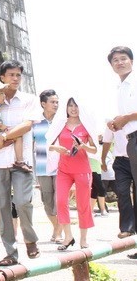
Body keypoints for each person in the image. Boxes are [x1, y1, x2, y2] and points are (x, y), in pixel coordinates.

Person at [0, 60, 42, 267]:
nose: (15, 78)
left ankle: (30, 239)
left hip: (21, 161)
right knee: (2, 206)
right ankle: (10, 252)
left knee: (23, 201)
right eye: (11, 75)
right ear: (2, 77)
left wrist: (4, 137)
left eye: (18, 75)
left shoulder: (29, 100)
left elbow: (26, 126)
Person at [46, 95, 100, 250]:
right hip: (64, 170)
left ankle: (83, 239)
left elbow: (95, 149)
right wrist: (57, 148)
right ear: (66, 108)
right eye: (70, 106)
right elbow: (47, 144)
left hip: (82, 170)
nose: (73, 109)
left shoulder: (86, 126)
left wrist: (83, 146)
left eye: (76, 106)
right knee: (61, 201)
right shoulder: (60, 124)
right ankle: (68, 237)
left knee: (83, 205)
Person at [104, 45, 137, 256]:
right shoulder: (121, 87)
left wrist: (125, 118)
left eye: (123, 58)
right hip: (130, 141)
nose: (119, 62)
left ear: (131, 61)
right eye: (115, 60)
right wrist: (118, 122)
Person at [33, 89, 62, 242]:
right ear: (43, 104)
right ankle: (57, 227)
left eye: (57, 102)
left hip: (61, 167)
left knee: (60, 200)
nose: (56, 105)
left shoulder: (63, 121)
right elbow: (29, 144)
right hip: (42, 167)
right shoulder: (35, 122)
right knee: (47, 202)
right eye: (52, 102)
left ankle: (58, 232)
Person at [101, 125, 135, 238]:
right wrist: (103, 159)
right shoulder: (112, 119)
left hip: (135, 157)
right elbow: (107, 140)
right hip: (121, 161)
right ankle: (127, 228)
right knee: (122, 192)